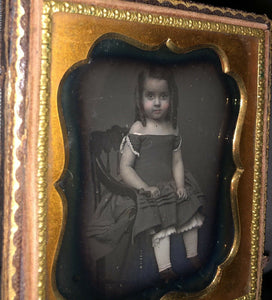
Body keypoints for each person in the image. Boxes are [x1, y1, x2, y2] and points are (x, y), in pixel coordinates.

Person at [87, 64, 205, 287]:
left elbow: (177, 161)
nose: (157, 102)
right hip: (145, 186)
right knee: (161, 220)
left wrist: (180, 185)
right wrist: (144, 188)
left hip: (168, 183)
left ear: (172, 97)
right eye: (150, 96)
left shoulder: (172, 128)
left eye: (163, 96)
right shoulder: (138, 129)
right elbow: (126, 168)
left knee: (189, 207)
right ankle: (165, 268)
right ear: (140, 98)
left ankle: (193, 255)